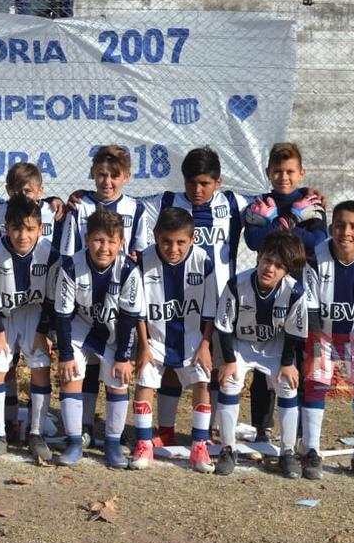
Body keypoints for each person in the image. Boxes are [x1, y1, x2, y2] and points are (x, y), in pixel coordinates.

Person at [137, 147, 250, 446]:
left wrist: (304, 196)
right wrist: (80, 196)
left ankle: (209, 430)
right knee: (172, 365)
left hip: (220, 303)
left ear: (218, 182)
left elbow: (273, 201)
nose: (197, 189)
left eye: (205, 183)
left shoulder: (234, 203)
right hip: (176, 302)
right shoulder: (166, 201)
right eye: (191, 182)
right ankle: (166, 430)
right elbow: (123, 204)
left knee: (212, 367)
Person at [60, 144, 148, 447]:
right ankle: (81, 429)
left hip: (116, 297)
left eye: (114, 175)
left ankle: (112, 435)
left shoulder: (136, 209)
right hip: (84, 296)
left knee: (113, 368)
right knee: (82, 367)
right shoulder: (79, 205)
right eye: (101, 175)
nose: (107, 181)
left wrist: (127, 266)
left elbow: (139, 252)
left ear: (126, 177)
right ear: (92, 175)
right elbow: (68, 252)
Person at [243, 142, 328, 444]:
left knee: (304, 358)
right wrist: (290, 222)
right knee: (263, 356)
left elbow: (317, 240)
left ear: (301, 172)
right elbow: (254, 240)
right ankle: (262, 428)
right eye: (278, 171)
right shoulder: (261, 202)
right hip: (266, 292)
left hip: (304, 292)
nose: (284, 177)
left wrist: (278, 224)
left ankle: (303, 429)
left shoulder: (311, 201)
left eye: (290, 171)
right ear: (268, 172)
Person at [302, 201, 354, 482]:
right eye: (340, 225)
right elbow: (311, 310)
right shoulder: (315, 258)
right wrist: (316, 350)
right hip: (323, 334)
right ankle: (311, 452)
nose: (346, 232)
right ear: (331, 228)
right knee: (316, 381)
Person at [213, 230, 310, 479]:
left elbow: (294, 333)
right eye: (267, 260)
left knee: (287, 384)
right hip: (241, 344)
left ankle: (287, 452)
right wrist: (229, 361)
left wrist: (288, 364)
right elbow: (224, 326)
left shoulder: (295, 292)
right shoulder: (236, 285)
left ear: (287, 270)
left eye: (279, 266)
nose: (270, 268)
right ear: (258, 256)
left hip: (273, 345)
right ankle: (227, 449)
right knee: (230, 381)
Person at [0, 195, 61, 462]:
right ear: (6, 228)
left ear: (41, 229)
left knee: (40, 365)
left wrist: (44, 333)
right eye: (17, 229)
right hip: (5, 316)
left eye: (30, 229)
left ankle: (36, 434)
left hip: (34, 313)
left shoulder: (50, 254)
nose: (23, 235)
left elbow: (51, 300)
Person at [130, 208, 217, 473]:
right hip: (154, 338)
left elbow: (210, 308)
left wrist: (205, 344)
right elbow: (139, 310)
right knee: (145, 380)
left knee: (202, 381)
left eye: (181, 242)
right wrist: (143, 347)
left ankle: (199, 445)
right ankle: (144, 443)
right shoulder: (144, 260)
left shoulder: (203, 260)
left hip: (192, 339)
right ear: (156, 236)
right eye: (166, 241)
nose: (173, 248)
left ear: (192, 239)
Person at [55, 209, 142, 467]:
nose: (104, 248)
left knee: (119, 378)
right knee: (70, 375)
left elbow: (128, 319)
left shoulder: (128, 270)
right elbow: (62, 315)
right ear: (86, 239)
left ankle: (113, 443)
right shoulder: (71, 266)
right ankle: (74, 441)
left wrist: (124, 358)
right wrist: (66, 355)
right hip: (79, 329)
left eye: (111, 241)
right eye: (98, 240)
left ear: (122, 243)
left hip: (114, 333)